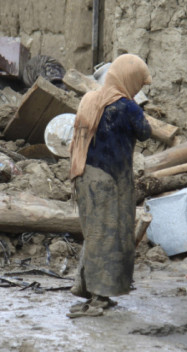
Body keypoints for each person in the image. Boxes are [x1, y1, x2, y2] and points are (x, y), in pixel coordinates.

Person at [67, 54, 152, 318]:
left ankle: (86, 290)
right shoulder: (127, 107)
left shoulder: (90, 99)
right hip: (109, 181)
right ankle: (98, 298)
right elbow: (145, 132)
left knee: (94, 235)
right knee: (108, 238)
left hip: (84, 175)